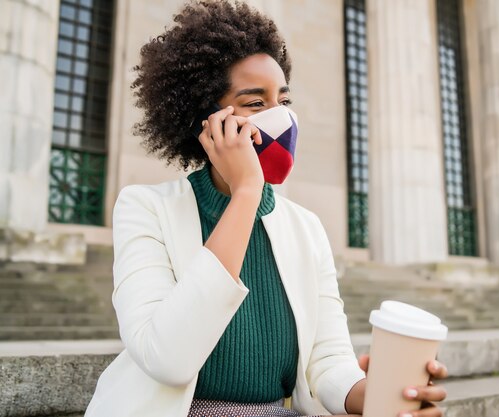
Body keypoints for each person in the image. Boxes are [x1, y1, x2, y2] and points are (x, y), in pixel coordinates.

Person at [84, 1, 448, 416]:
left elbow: (328, 361)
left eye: (283, 100)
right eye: (255, 103)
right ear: (207, 119)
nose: (280, 118)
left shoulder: (306, 227)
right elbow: (168, 358)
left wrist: (377, 395)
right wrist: (245, 194)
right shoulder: (144, 208)